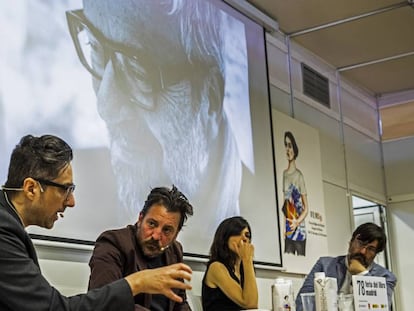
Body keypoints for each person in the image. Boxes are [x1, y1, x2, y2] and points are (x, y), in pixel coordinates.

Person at [65, 0, 255, 243]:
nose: (106, 106)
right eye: (95, 46)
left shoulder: (260, 205)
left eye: (138, 68)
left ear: (210, 96)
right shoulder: (70, 194)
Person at [0, 134, 192, 310]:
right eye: (65, 189)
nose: (71, 202)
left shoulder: (9, 224)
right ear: (32, 188)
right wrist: (137, 282)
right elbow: (54, 308)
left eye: (168, 230)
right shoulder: (4, 231)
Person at [88, 185, 194, 310]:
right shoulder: (113, 243)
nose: (156, 236)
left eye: (167, 230)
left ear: (176, 234)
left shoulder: (175, 251)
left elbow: (180, 302)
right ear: (140, 219)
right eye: (152, 224)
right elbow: (104, 303)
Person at [295, 222, 397, 311]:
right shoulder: (324, 265)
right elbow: (302, 302)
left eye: (370, 249)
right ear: (351, 242)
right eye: (360, 243)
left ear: (376, 253)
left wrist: (362, 274)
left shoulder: (385, 278)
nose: (362, 251)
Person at [202, 216, 258, 311]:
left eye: (247, 235)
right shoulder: (216, 267)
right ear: (225, 237)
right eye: (237, 233)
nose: (244, 239)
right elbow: (250, 304)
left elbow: (253, 306)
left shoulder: (243, 270)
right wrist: (247, 259)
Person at [282, 131, 308, 256]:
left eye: (290, 145)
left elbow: (306, 208)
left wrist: (297, 222)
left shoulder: (299, 176)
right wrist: (284, 226)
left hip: (299, 230)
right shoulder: (284, 174)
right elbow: (285, 205)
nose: (288, 149)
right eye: (286, 145)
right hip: (288, 230)